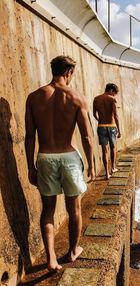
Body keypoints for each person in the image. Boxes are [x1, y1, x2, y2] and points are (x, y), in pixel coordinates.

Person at [25, 55, 95, 271]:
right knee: (74, 209)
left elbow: (30, 137)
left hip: (45, 157)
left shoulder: (34, 97)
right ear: (69, 72)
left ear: (53, 69)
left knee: (48, 210)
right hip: (69, 157)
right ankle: (73, 251)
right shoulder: (76, 97)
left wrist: (30, 166)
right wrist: (92, 164)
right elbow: (86, 137)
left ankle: (51, 258)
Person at [93, 83, 121, 179]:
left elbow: (94, 114)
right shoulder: (112, 99)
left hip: (101, 126)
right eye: (114, 93)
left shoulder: (96, 99)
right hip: (111, 126)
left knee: (104, 150)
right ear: (111, 90)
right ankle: (113, 168)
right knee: (112, 148)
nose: (113, 95)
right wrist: (119, 130)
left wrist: (100, 121)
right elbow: (116, 116)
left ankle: (107, 174)